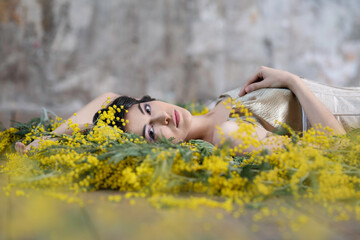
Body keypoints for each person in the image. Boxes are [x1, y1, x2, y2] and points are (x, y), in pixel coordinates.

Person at [15, 66, 360, 155]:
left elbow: (108, 98)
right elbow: (334, 146)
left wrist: (49, 138)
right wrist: (291, 80)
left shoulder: (213, 112)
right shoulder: (227, 137)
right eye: (152, 130)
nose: (164, 116)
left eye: (149, 107)